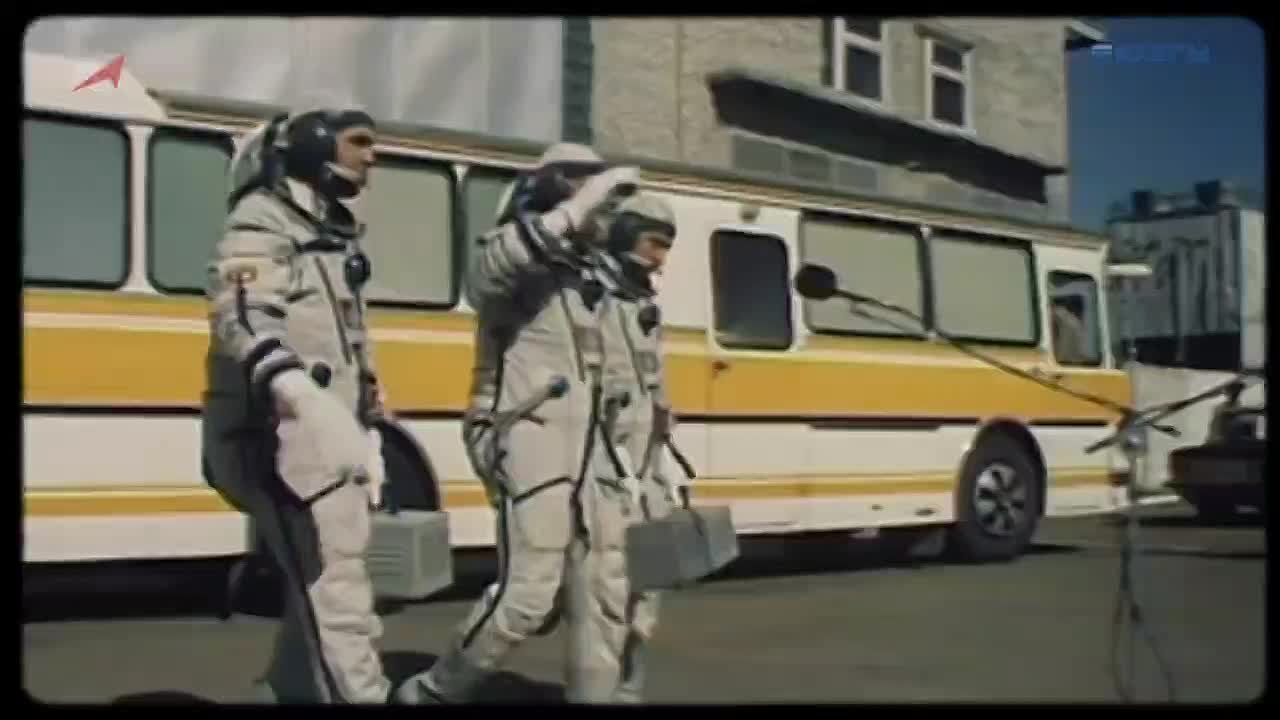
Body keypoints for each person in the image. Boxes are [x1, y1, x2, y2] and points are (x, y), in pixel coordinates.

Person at [394, 143, 640, 704]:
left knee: (604, 591)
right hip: (525, 432)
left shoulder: (588, 279)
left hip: (589, 445)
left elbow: (614, 373)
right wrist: (581, 202)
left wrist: (628, 450)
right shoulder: (512, 257)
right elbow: (490, 274)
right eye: (590, 197)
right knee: (529, 594)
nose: (603, 213)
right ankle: (434, 692)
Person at [200, 105, 392, 704]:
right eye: (358, 141)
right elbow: (243, 312)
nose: (372, 155)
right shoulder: (262, 221)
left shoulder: (328, 233)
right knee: (337, 594)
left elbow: (345, 339)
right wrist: (296, 390)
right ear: (314, 145)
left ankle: (285, 692)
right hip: (277, 436)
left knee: (323, 584)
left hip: (325, 438)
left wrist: (367, 420)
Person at [597, 192, 679, 704]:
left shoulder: (645, 305)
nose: (659, 257)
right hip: (604, 462)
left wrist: (665, 418)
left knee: (651, 577)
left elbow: (654, 375)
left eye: (666, 247)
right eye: (653, 243)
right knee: (607, 583)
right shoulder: (591, 298)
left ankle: (630, 680)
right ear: (626, 235)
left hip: (646, 462)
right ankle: (600, 682)